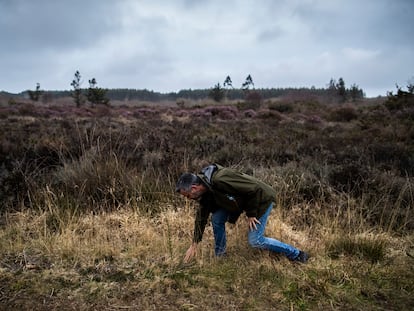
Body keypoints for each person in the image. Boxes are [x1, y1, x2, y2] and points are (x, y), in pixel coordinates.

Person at [175, 163, 309, 263]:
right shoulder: (205, 191)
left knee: (255, 240)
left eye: (187, 195)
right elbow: (201, 217)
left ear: (194, 188)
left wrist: (251, 214)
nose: (188, 199)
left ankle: (297, 254)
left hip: (261, 198)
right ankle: (220, 256)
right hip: (244, 201)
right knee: (216, 219)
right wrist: (194, 244)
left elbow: (254, 190)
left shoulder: (220, 179)